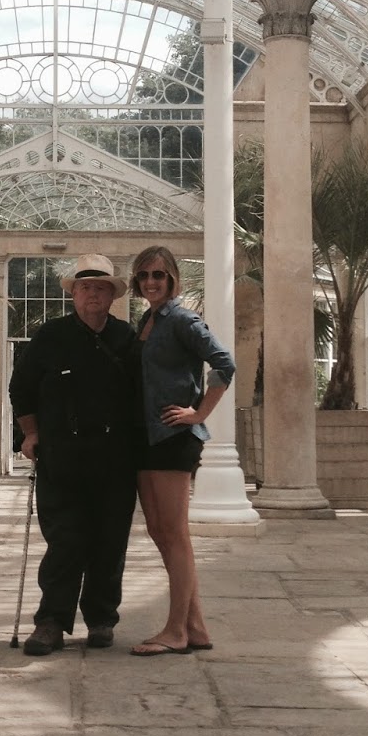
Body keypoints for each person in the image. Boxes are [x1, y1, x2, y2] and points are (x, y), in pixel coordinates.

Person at [9, 254, 139, 656]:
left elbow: (143, 394)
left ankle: (101, 620)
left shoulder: (127, 339)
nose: (92, 294)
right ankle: (51, 621)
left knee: (109, 542)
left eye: (101, 288)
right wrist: (31, 434)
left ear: (113, 296)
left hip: (115, 458)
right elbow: (21, 388)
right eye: (85, 288)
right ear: (73, 295)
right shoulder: (50, 336)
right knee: (65, 540)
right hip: (61, 456)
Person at [129, 246, 234, 656]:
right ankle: (196, 626)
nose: (150, 282)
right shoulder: (148, 320)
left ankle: (175, 631)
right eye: (144, 275)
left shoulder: (183, 319)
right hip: (146, 436)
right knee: (159, 531)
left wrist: (199, 413)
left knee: (174, 533)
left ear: (173, 279)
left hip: (173, 438)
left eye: (158, 274)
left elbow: (224, 364)